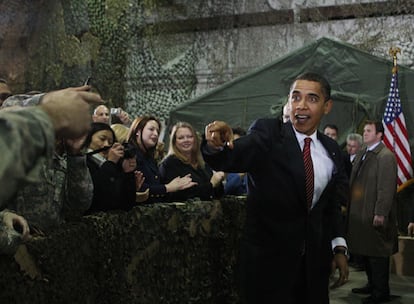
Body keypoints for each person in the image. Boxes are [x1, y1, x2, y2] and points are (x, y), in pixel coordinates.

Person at [202, 72, 349, 303]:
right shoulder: (268, 135)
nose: (301, 105)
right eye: (295, 97)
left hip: (313, 271)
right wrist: (216, 144)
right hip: (268, 270)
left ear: (327, 106)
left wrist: (338, 247)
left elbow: (329, 205)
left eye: (311, 99)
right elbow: (231, 157)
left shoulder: (331, 149)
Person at [0, 85, 103, 251]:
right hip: (17, 252)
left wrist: (76, 156)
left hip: (50, 251)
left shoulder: (62, 158)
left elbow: (78, 206)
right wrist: (47, 101)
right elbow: (10, 107)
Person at [348, 120, 398, 304]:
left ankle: (381, 292)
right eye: (364, 130)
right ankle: (372, 284)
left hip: (373, 213)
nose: (365, 133)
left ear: (379, 135)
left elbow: (386, 188)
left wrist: (381, 212)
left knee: (377, 254)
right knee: (366, 251)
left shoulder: (385, 156)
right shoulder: (363, 153)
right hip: (361, 213)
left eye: (369, 131)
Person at [127, 116, 196, 203]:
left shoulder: (149, 158)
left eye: (157, 131)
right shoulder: (129, 155)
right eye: (151, 129)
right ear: (138, 131)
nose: (155, 134)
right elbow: (136, 188)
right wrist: (168, 188)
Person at [84, 122, 146, 212]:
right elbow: (96, 196)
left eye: (110, 142)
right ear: (88, 139)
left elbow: (126, 205)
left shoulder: (112, 167)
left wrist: (128, 175)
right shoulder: (84, 163)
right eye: (102, 139)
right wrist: (110, 162)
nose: (106, 145)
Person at [159, 122, 225, 202]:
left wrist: (218, 181)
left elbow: (218, 193)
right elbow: (181, 195)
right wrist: (211, 185)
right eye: (181, 138)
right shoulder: (169, 164)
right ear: (174, 142)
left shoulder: (202, 163)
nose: (186, 140)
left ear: (195, 139)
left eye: (190, 137)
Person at [224, 127, 248, 196]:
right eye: (231, 142)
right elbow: (226, 190)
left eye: (237, 142)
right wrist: (240, 175)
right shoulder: (226, 167)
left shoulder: (251, 163)